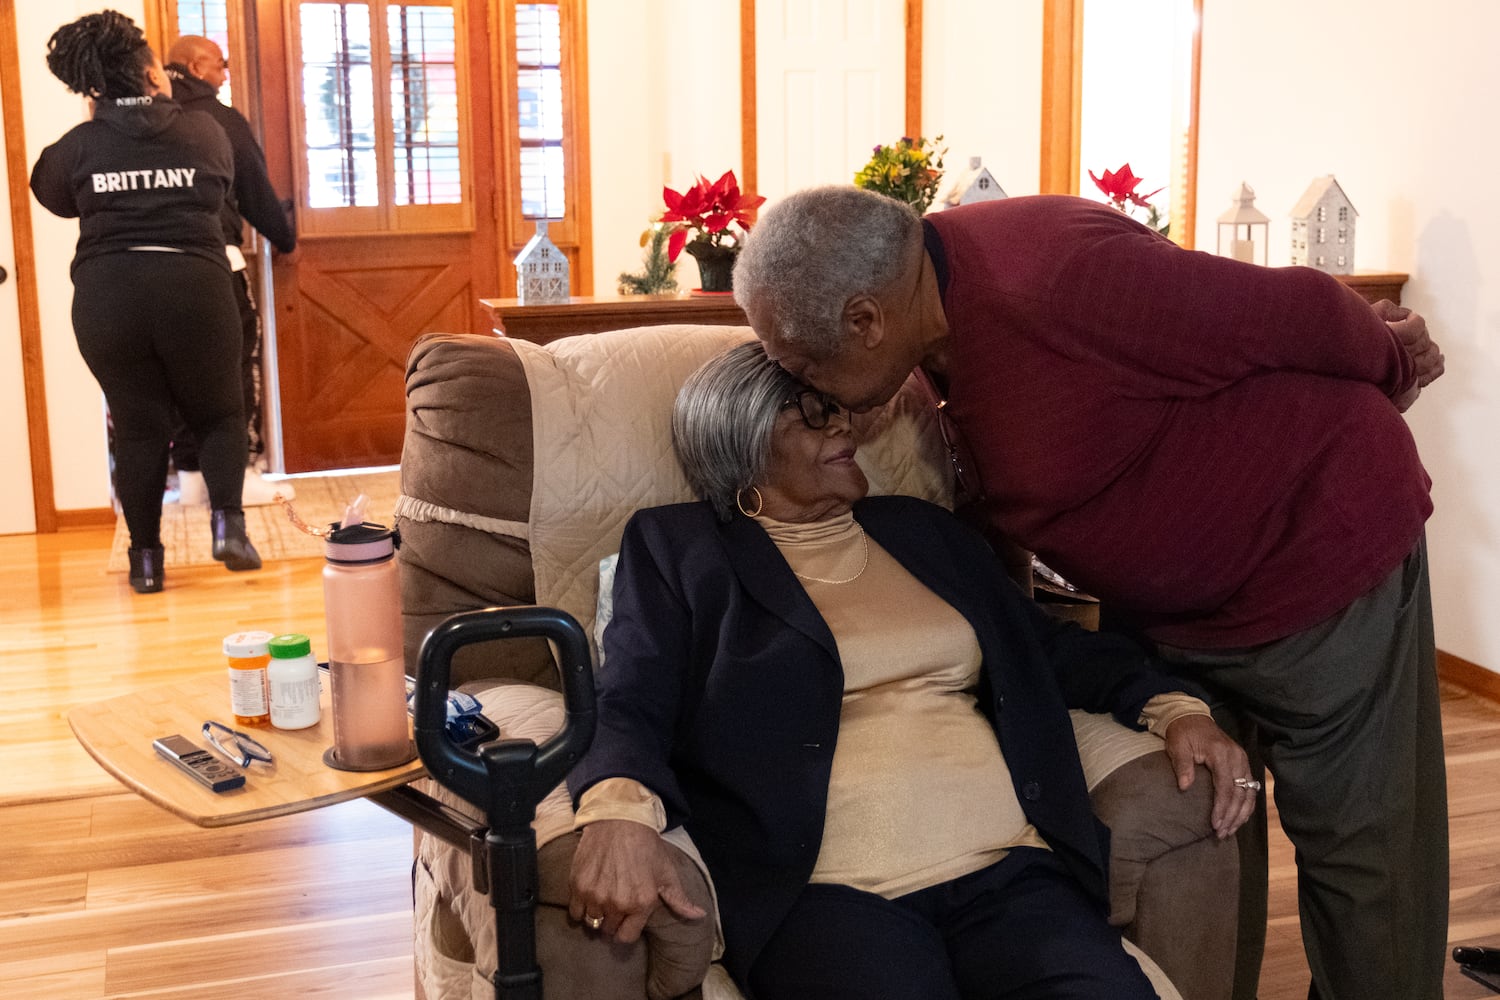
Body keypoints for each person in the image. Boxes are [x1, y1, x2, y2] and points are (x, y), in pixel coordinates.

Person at [732, 185, 1446, 1000]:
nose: (806, 393)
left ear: (866, 321)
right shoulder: (924, 331)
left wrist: (1397, 360)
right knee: (1219, 825)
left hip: (1315, 548)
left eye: (802, 366)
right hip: (1177, 610)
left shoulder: (1048, 276)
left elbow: (1293, 312)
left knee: (1363, 853)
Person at [565, 341, 1255, 1000]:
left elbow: (1050, 649)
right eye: (810, 410)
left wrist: (1176, 708)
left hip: (1012, 876)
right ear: (741, 440)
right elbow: (631, 691)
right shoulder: (681, 548)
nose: (843, 423)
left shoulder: (920, 531)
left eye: (838, 405)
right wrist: (618, 811)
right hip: (826, 896)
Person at [31, 10, 262, 594]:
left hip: (109, 297)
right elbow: (220, 186)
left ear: (93, 83)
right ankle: (229, 527)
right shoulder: (205, 131)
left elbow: (49, 191)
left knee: (137, 427)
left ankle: (146, 562)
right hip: (194, 287)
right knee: (218, 411)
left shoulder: (80, 144)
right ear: (150, 70)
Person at [163, 34, 297, 506]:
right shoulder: (219, 120)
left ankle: (192, 479)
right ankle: (240, 474)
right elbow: (255, 191)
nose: (227, 74)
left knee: (179, 371)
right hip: (218, 262)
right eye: (222, 64)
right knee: (237, 365)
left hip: (157, 269)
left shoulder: (150, 118)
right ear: (197, 68)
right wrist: (284, 237)